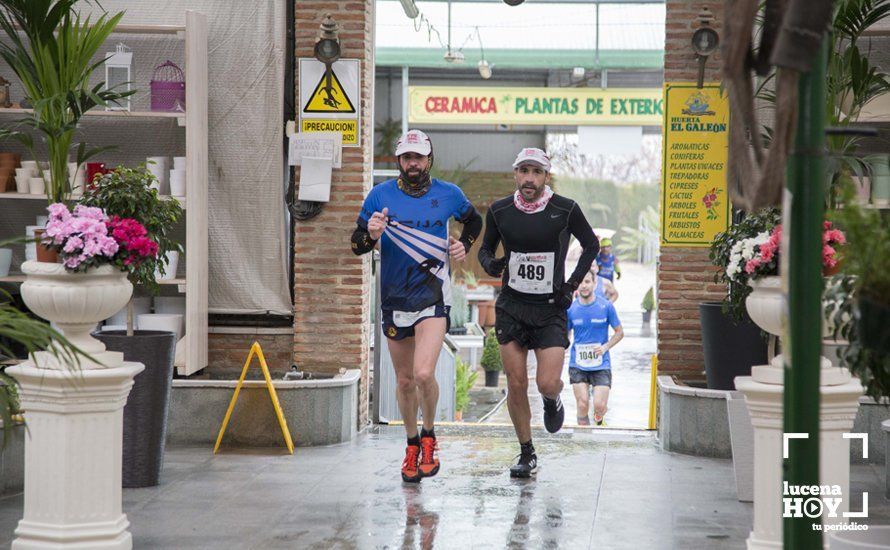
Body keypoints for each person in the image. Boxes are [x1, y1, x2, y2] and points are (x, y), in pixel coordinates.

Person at [351, 129, 482, 483]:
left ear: (429, 159)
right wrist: (373, 234)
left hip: (432, 297)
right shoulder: (379, 196)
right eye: (407, 157)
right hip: (394, 299)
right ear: (399, 161)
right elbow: (357, 244)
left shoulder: (448, 194)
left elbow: (474, 220)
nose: (413, 163)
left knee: (425, 374)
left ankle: (429, 436)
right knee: (405, 380)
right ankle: (411, 444)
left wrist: (463, 245)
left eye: (418, 157)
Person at [477, 147, 599, 478]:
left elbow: (591, 245)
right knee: (516, 384)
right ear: (516, 174)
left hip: (550, 309)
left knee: (546, 382)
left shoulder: (565, 209)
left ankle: (552, 400)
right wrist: (492, 263)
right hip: (512, 307)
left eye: (536, 172)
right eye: (524, 171)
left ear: (547, 176)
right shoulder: (500, 211)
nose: (529, 178)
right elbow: (486, 250)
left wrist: (572, 284)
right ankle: (526, 452)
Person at [567, 271, 624, 426]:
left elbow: (619, 332)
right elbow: (565, 335)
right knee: (582, 403)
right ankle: (584, 435)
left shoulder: (606, 306)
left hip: (601, 363)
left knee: (599, 405)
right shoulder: (571, 310)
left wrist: (605, 347)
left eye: (587, 282)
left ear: (594, 284)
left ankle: (599, 418)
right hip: (577, 364)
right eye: (580, 282)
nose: (584, 286)